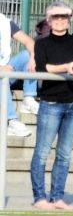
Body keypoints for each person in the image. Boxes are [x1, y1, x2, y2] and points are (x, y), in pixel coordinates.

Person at [30, 2, 73, 210]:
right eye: (56, 17)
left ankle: (57, 197)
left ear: (69, 20)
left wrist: (71, 11)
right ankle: (40, 198)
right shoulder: (41, 43)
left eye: (63, 17)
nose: (60, 20)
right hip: (51, 103)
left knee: (64, 154)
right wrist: (66, 67)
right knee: (42, 152)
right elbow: (43, 68)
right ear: (49, 21)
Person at [1, 10, 36, 138]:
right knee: (2, 78)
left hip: (6, 68)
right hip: (2, 72)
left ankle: (29, 98)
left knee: (27, 55)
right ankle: (11, 120)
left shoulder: (4, 22)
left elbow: (29, 41)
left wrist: (33, 57)